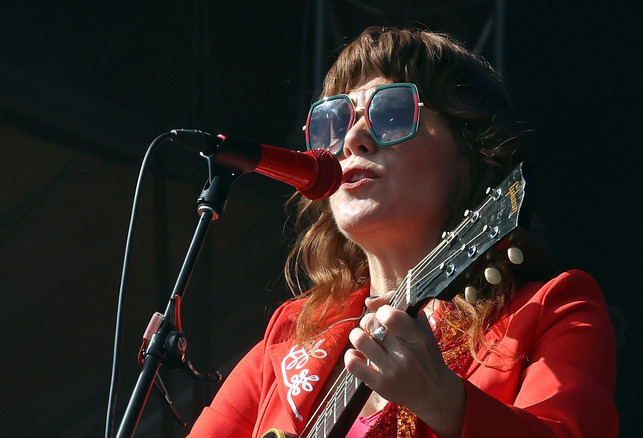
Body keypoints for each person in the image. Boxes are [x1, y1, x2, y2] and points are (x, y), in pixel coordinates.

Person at [188, 26, 619, 438]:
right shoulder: (291, 335)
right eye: (335, 123)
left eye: (391, 112)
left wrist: (444, 402)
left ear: (470, 155)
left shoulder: (554, 310)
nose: (354, 138)